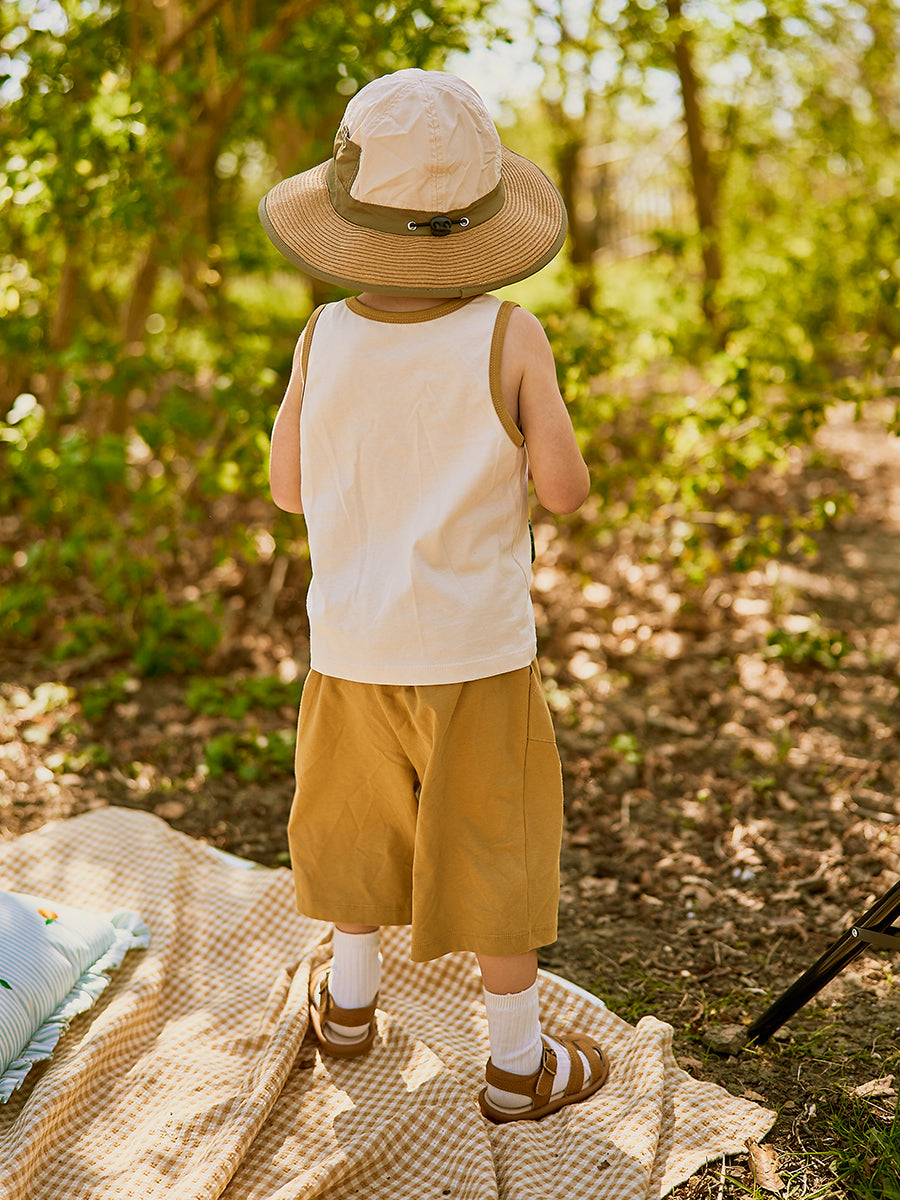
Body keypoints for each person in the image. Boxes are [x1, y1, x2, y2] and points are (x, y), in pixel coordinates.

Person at [262, 68, 608, 1123]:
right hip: (476, 651)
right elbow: (564, 491)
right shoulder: (509, 334)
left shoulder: (322, 335)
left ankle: (348, 1008)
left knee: (354, 826)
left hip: (351, 646)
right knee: (495, 841)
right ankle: (516, 1063)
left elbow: (288, 488)